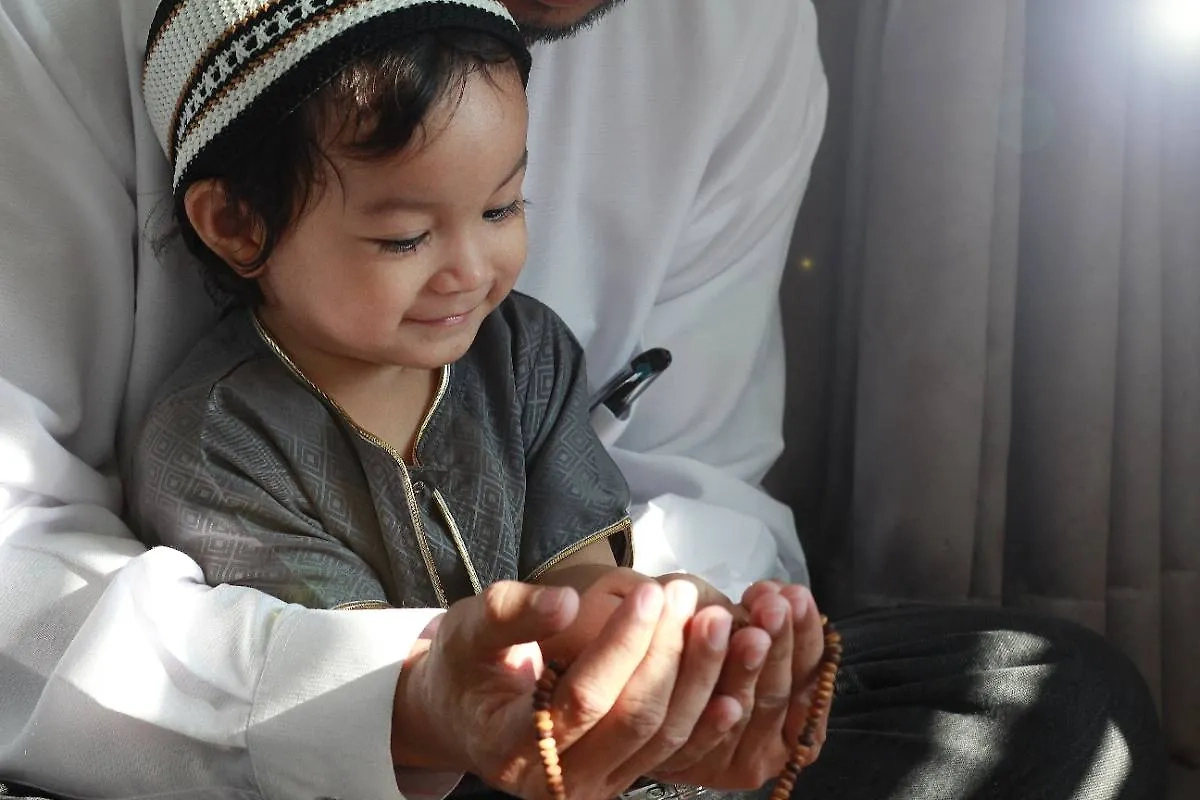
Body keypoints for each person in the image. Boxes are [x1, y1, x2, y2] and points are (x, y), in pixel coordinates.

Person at [0, 1, 1167, 799]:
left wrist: (677, 647)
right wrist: (419, 703)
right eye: (404, 235)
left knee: (1054, 698)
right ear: (234, 225)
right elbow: (33, 573)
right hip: (301, 747)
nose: (473, 271)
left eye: (504, 208)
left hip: (556, 721)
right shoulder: (219, 431)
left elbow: (671, 480)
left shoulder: (522, 347)